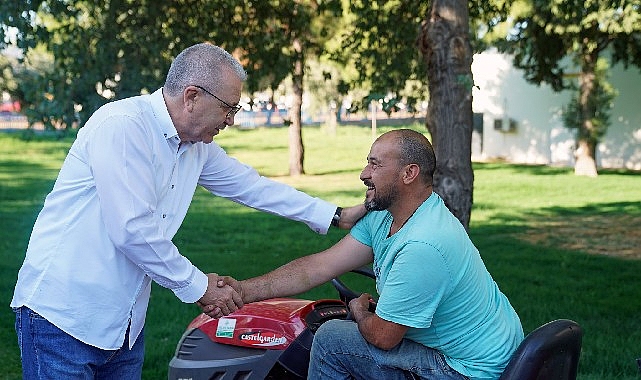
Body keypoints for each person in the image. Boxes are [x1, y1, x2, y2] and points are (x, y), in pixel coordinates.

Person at [10, 42, 365, 379]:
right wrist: (198, 287)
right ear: (192, 96)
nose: (230, 120)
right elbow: (133, 230)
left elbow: (253, 187)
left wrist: (335, 214)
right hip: (62, 318)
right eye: (229, 108)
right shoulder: (122, 126)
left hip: (123, 324)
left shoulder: (195, 146)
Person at [218, 129, 524, 380]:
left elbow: (383, 337)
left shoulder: (423, 244)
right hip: (483, 349)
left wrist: (360, 311)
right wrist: (243, 291)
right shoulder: (386, 215)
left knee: (331, 340)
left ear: (409, 173)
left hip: (469, 369)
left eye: (375, 165)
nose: (364, 174)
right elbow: (319, 266)